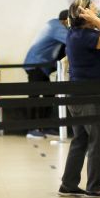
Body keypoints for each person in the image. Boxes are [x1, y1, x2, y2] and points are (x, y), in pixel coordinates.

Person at [58, 0, 100, 198]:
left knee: (80, 140)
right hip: (90, 96)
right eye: (93, 9)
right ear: (84, 14)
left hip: (78, 94)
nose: (97, 10)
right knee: (99, 140)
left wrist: (94, 18)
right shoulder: (85, 36)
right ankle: (95, 186)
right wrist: (97, 20)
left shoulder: (75, 33)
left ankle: (68, 184)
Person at [23, 10, 69, 139]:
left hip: (42, 66)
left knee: (49, 95)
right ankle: (31, 129)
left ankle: (45, 127)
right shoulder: (56, 26)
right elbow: (71, 40)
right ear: (66, 20)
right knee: (34, 96)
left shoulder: (55, 25)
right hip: (36, 65)